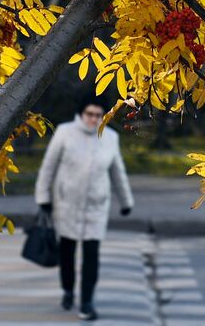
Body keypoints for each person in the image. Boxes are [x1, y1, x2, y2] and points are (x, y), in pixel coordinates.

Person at [34, 96, 134, 321]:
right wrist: (43, 197)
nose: (94, 119)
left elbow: (117, 171)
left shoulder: (110, 137)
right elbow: (48, 168)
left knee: (91, 255)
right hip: (67, 203)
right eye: (90, 114)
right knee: (67, 252)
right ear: (81, 114)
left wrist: (126, 201)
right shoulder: (64, 132)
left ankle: (87, 302)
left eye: (98, 115)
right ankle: (68, 290)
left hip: (96, 206)